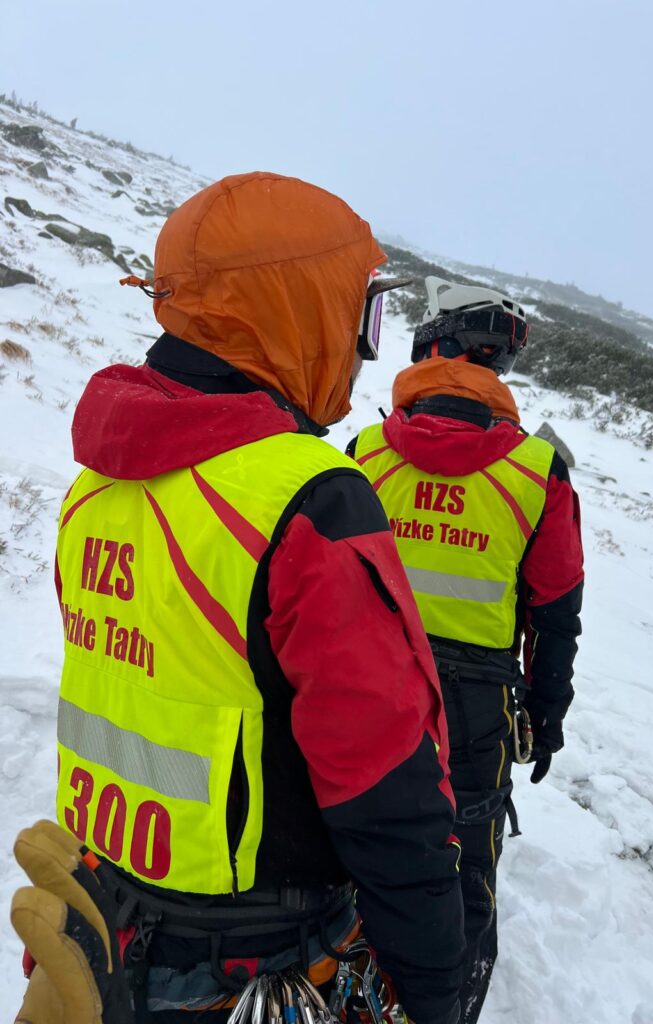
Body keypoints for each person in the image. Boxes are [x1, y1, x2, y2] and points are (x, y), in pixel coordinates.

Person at [10, 177, 465, 1024]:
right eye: (362, 316)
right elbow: (384, 785)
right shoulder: (309, 499)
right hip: (258, 968)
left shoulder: (98, 484)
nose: (365, 350)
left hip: (104, 934)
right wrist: (436, 986)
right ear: (298, 311)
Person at [350, 276, 584, 1024]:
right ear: (497, 369)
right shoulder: (537, 474)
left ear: (431, 350)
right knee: (465, 864)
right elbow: (555, 611)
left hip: (364, 683)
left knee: (354, 829)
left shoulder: (362, 453)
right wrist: (546, 715)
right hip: (477, 707)